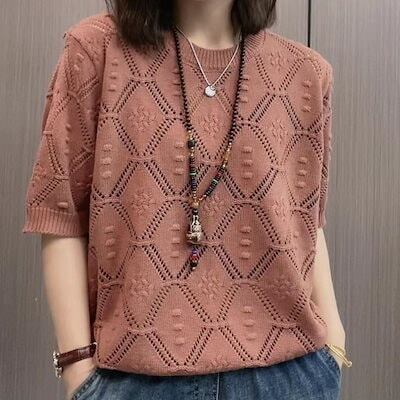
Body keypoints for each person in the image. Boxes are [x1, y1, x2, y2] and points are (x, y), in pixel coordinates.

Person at [22, 1, 352, 399]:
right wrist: (78, 368)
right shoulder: (96, 51)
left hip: (288, 377)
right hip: (136, 380)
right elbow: (59, 211)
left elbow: (305, 221)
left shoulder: (306, 74)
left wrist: (334, 340)